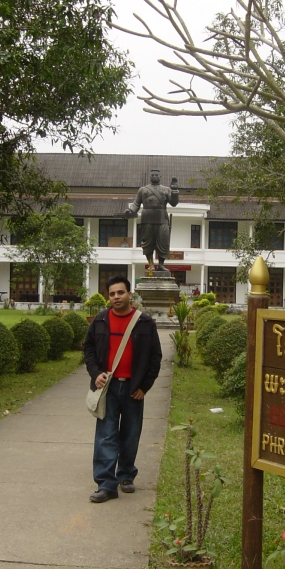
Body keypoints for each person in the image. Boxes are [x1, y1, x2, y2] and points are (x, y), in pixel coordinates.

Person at [83, 275, 162, 503]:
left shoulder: (145, 323)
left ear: (129, 294)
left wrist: (144, 386)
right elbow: (88, 348)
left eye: (120, 292)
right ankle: (106, 484)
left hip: (133, 390)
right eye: (112, 294)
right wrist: (96, 373)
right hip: (107, 388)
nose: (116, 297)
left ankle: (126, 475)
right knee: (106, 435)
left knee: (130, 434)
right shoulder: (100, 320)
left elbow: (155, 358)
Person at [126, 169, 179, 271]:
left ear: (160, 177)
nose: (155, 176)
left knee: (164, 242)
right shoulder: (143, 190)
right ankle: (151, 264)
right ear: (150, 177)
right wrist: (130, 210)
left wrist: (174, 191)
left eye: (157, 175)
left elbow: (174, 203)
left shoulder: (166, 190)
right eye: (153, 175)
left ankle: (161, 265)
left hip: (162, 218)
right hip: (147, 219)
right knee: (147, 244)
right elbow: (136, 204)